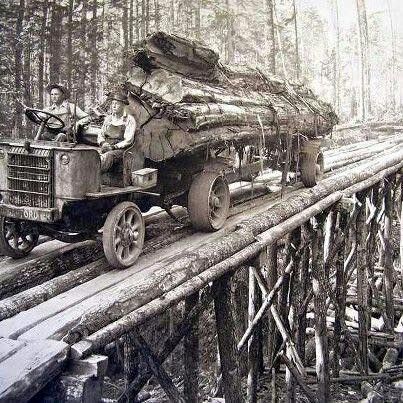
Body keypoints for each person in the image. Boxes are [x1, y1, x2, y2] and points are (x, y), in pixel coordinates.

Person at [97, 92, 136, 172]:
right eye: (112, 103)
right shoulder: (108, 119)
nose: (113, 106)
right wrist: (103, 143)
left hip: (121, 151)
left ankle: (94, 175)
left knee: (108, 156)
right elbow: (100, 135)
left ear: (123, 105)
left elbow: (128, 140)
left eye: (117, 104)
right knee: (92, 155)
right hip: (106, 147)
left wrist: (114, 147)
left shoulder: (129, 119)